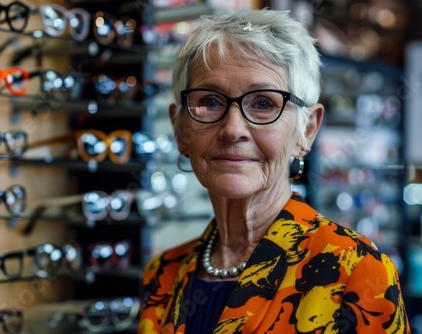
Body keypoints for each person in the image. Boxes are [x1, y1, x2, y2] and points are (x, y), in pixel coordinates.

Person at [138, 8, 410, 334]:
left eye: (264, 103)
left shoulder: (357, 269)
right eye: (210, 101)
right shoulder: (162, 274)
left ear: (306, 131)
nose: (232, 129)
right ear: (180, 128)